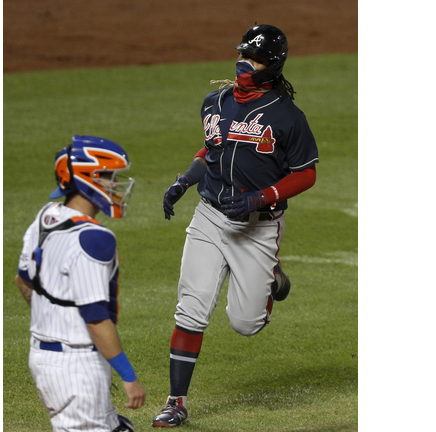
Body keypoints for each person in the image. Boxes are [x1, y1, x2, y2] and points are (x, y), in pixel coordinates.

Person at [152, 24, 319, 428]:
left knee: (246, 323)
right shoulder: (216, 101)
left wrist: (260, 197)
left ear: (272, 66)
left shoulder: (287, 117)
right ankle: (176, 400)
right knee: (190, 308)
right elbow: (211, 149)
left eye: (256, 59)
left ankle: (272, 280)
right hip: (208, 217)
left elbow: (305, 173)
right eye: (244, 54)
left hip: (257, 228)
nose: (246, 63)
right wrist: (184, 181)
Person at [15, 135, 145, 432]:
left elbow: (23, 281)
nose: (115, 185)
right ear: (90, 178)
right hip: (76, 366)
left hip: (44, 358)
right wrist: (128, 377)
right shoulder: (95, 239)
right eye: (110, 177)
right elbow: (96, 319)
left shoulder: (45, 218)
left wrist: (54, 320)